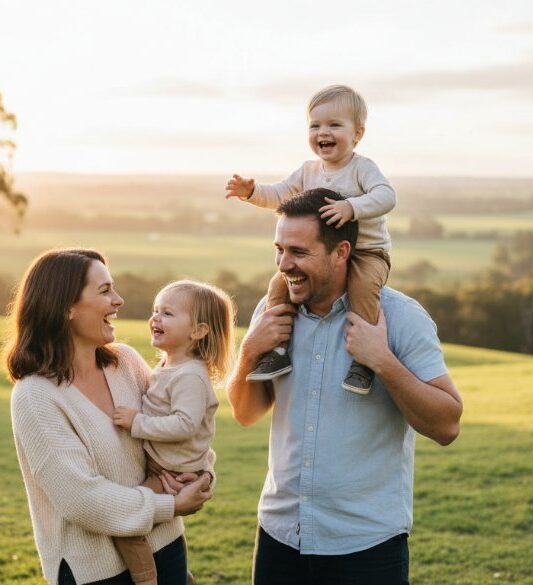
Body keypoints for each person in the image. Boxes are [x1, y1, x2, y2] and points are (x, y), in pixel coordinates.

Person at [226, 190, 463, 585]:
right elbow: (246, 413)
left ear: (341, 252)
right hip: (279, 537)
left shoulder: (400, 317)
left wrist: (382, 360)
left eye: (299, 252)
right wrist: (250, 351)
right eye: (279, 250)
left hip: (366, 547)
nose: (285, 265)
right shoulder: (271, 313)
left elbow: (447, 425)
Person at [6, 249, 212, 585]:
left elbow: (185, 426)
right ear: (66, 307)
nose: (118, 300)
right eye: (104, 291)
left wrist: (201, 476)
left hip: (166, 545)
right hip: (97, 569)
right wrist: (169, 505)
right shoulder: (35, 396)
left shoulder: (126, 362)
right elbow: (82, 500)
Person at [226, 84, 396, 395]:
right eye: (315, 125)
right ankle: (277, 351)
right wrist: (251, 193)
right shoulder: (308, 171)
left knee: (361, 290)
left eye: (334, 125)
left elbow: (386, 196)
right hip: (320, 257)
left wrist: (351, 207)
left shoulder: (362, 168)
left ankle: (364, 361)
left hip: (367, 252)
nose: (323, 132)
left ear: (358, 133)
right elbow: (280, 195)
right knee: (278, 285)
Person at [110, 280, 236, 585]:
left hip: (173, 473)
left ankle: (146, 580)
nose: (155, 318)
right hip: (166, 466)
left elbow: (185, 425)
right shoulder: (169, 366)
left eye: (167, 313)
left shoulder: (190, 375)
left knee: (126, 526)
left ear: (198, 331)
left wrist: (136, 422)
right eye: (155, 310)